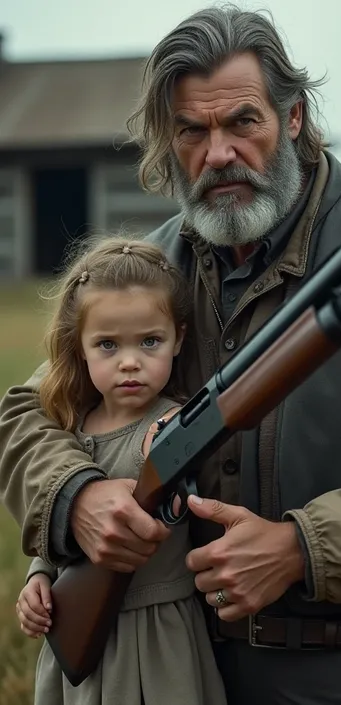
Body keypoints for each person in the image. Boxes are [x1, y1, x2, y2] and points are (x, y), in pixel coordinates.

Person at [1, 5, 341, 704]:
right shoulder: (152, 268)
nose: (218, 152)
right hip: (183, 673)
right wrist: (79, 497)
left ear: (292, 117)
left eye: (241, 122)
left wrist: (301, 547)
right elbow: (26, 409)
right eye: (192, 130)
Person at [12, 234, 227, 705]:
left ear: (179, 340)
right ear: (79, 348)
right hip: (81, 636)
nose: (130, 362)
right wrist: (39, 579)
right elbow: (62, 530)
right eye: (107, 344)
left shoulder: (178, 427)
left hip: (159, 639)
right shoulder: (68, 421)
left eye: (150, 341)